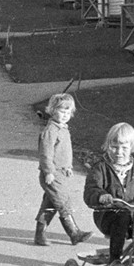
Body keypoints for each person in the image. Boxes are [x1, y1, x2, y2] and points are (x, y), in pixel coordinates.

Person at [83, 122, 134, 266]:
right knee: (122, 216)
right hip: (108, 215)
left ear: (132, 148)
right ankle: (114, 261)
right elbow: (91, 189)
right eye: (114, 147)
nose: (119, 152)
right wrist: (101, 196)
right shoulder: (100, 168)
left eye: (124, 148)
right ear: (107, 146)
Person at [34, 93, 92, 246]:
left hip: (61, 172)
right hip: (52, 174)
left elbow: (64, 152)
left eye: (68, 112)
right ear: (52, 111)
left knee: (50, 204)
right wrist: (48, 172)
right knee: (63, 202)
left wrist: (68, 167)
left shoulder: (63, 129)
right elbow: (45, 154)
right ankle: (74, 233)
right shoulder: (50, 131)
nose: (65, 115)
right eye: (62, 111)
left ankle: (39, 235)